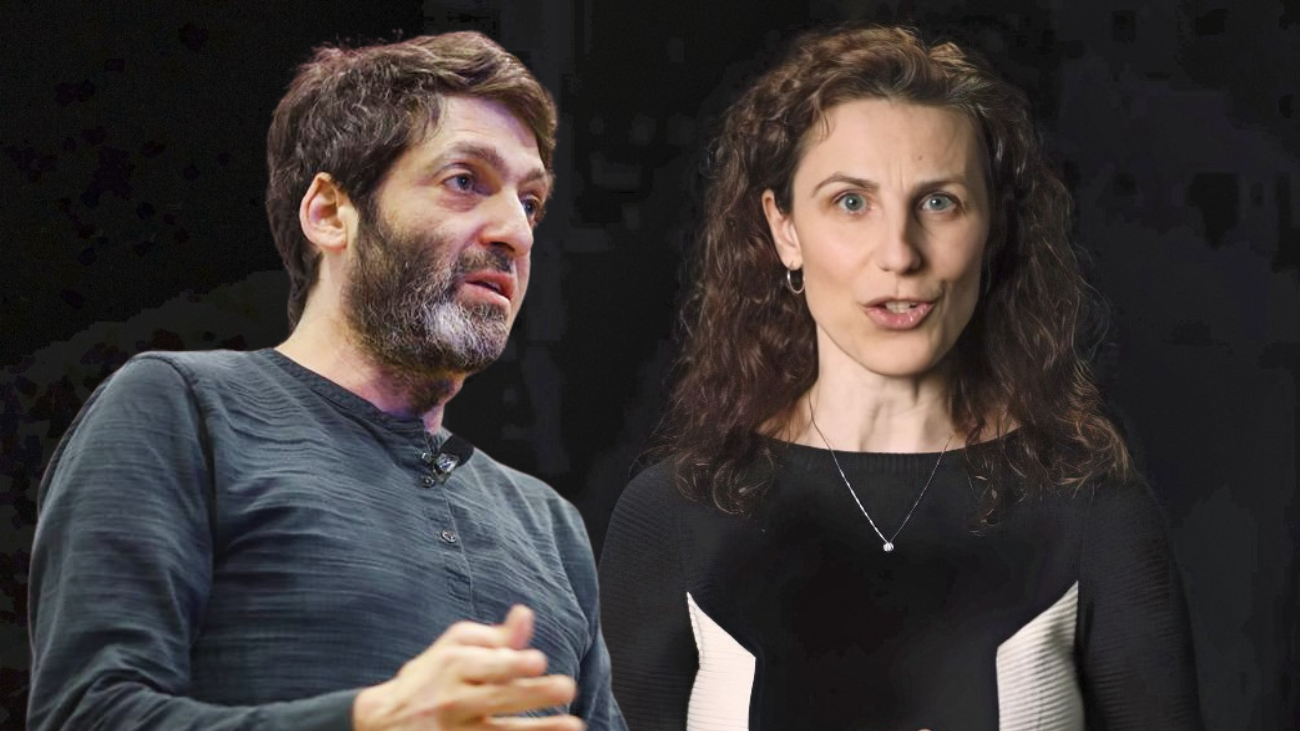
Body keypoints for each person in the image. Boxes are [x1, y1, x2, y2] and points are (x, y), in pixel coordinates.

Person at [598, 25, 1203, 731]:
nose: (899, 254)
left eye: (939, 201)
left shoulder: (1095, 513)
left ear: (993, 228)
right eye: (851, 202)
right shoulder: (669, 516)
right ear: (784, 229)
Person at [29, 32, 624, 731]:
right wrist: (371, 720)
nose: (516, 233)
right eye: (465, 181)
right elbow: (86, 714)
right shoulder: (182, 410)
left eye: (530, 203)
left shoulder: (549, 526)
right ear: (330, 213)